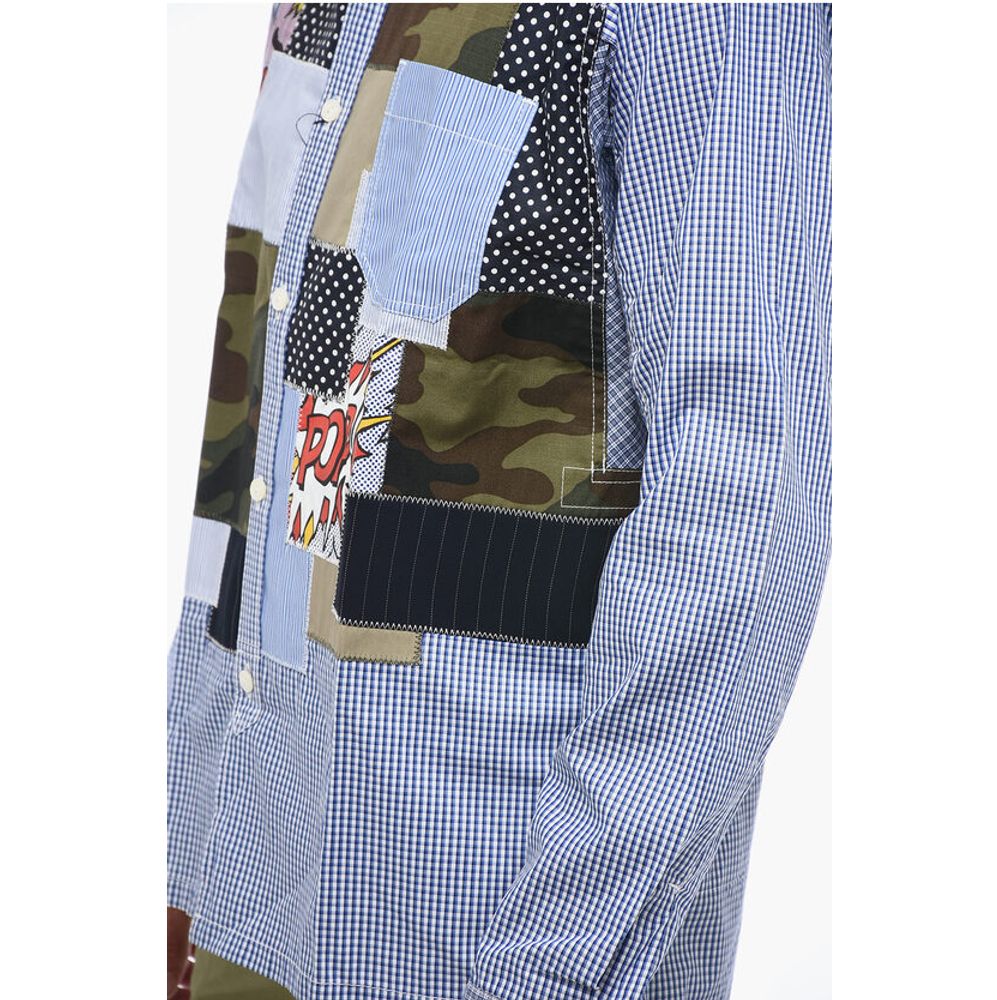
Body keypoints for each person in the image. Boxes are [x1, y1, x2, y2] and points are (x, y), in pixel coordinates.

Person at [167, 4, 832, 998]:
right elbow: (271, 437)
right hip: (247, 882)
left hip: (486, 933)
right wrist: (183, 845)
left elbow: (745, 505)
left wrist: (553, 958)